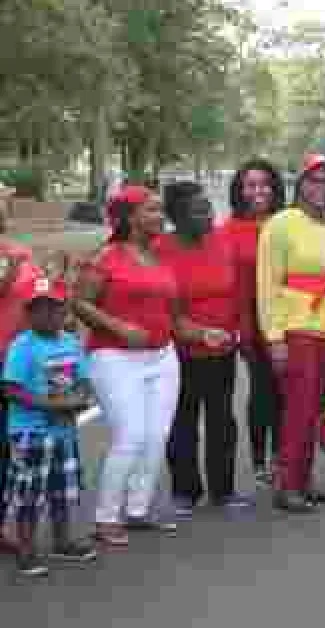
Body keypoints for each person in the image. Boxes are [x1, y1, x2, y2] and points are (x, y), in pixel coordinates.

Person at [73, 185, 193, 547]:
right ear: (128, 217)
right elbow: (80, 302)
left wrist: (205, 333)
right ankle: (106, 517)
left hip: (162, 357)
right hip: (114, 358)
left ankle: (138, 509)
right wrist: (119, 327)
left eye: (160, 210)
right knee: (131, 435)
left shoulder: (159, 258)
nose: (161, 216)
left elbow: (176, 320)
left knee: (156, 436)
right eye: (152, 210)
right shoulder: (107, 256)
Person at [257, 153, 325, 513]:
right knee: (298, 408)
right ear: (300, 184)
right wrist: (274, 337)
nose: (320, 187)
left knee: (316, 409)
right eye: (313, 180)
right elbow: (267, 284)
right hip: (296, 327)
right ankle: (287, 485)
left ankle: (304, 482)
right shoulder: (281, 224)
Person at [157, 182, 249, 519]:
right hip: (178, 351)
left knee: (222, 421)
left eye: (208, 208)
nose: (208, 215)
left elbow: (237, 290)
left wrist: (237, 331)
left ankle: (223, 491)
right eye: (198, 211)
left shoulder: (222, 242)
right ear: (176, 217)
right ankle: (185, 490)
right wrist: (195, 333)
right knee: (182, 420)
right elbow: (159, 304)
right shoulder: (160, 249)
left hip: (221, 348)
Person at [1, 278, 97, 576]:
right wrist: (50, 405)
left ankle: (62, 540)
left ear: (64, 311)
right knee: (29, 494)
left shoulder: (70, 343)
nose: (45, 315)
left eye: (52, 309)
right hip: (31, 433)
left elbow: (83, 378)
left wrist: (81, 396)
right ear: (28, 314)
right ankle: (26, 549)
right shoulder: (23, 346)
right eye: (37, 309)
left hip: (64, 432)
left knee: (62, 489)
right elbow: (11, 389)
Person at [222, 160, 286, 488]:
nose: (258, 191)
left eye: (264, 184)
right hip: (250, 319)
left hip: (290, 316)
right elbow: (227, 281)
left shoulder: (289, 222)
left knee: (287, 391)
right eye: (251, 185)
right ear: (240, 190)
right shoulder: (229, 230)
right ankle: (260, 459)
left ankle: (283, 457)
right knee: (262, 390)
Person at [0, 185, 43, 551]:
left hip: (19, 366)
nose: (2, 207)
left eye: (3, 201)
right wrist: (9, 275)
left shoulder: (18, 251)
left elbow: (38, 296)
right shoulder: (14, 258)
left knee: (12, 451)